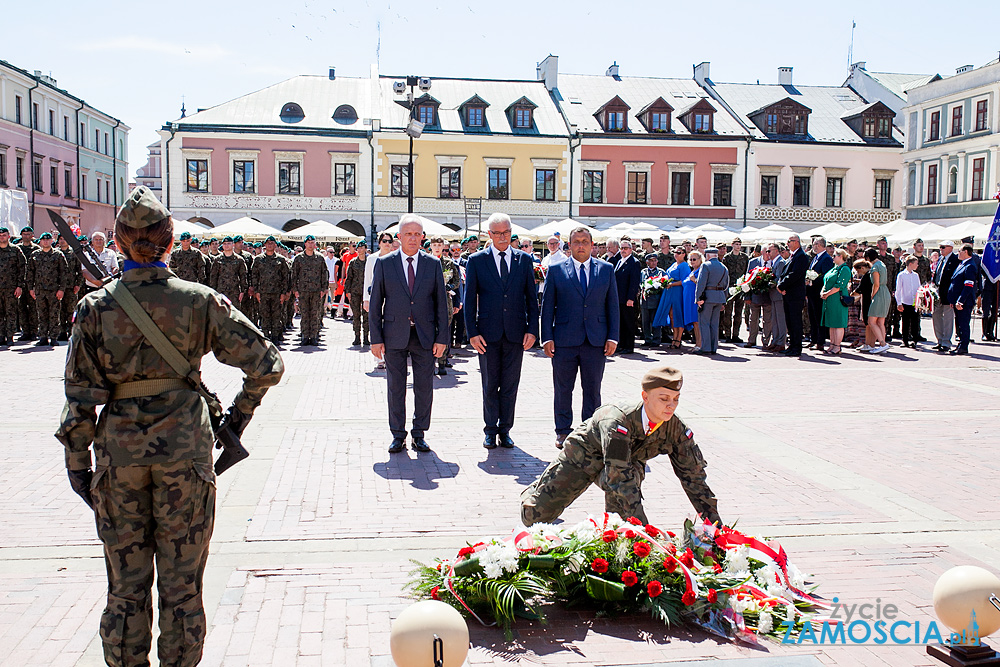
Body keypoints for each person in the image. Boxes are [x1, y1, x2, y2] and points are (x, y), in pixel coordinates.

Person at [55, 186, 283, 667]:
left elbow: (80, 399)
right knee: (182, 588)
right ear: (171, 240)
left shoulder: (95, 308)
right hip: (187, 456)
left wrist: (78, 466)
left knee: (125, 588)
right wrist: (237, 418)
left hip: (118, 460)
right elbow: (267, 364)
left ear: (118, 241)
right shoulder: (199, 301)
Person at [520, 366, 721, 527]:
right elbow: (618, 475)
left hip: (625, 464)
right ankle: (536, 491)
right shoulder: (618, 421)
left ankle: (618, 541)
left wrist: (717, 529)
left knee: (625, 507)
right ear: (645, 397)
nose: (671, 405)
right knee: (535, 516)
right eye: (664, 398)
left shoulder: (676, 427)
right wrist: (646, 529)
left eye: (676, 399)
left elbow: (694, 479)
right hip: (583, 456)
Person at [369, 214, 449, 454]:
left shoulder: (432, 264)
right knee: (396, 387)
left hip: (424, 335)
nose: (413, 239)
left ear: (422, 237)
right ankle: (397, 435)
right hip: (394, 334)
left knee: (424, 387)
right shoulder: (385, 263)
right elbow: (375, 304)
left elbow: (440, 305)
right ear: (399, 238)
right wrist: (375, 339)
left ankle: (419, 433)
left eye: (417, 234)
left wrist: (442, 338)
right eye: (408, 234)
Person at [463, 213, 539, 449]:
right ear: (490, 235)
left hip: (516, 334)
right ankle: (490, 429)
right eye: (497, 233)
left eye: (506, 232)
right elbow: (469, 300)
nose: (502, 237)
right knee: (489, 384)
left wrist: (532, 330)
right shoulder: (476, 260)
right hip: (486, 334)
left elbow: (531, 299)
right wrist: (472, 333)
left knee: (509, 384)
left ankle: (505, 429)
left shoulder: (524, 260)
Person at [540, 227, 619, 449]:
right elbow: (547, 308)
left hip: (596, 341)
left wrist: (613, 337)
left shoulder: (606, 270)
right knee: (563, 388)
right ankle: (563, 431)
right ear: (570, 245)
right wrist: (546, 337)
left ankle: (591, 430)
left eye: (585, 241)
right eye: (576, 242)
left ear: (592, 245)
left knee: (593, 389)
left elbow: (612, 305)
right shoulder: (556, 271)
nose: (581, 246)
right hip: (564, 341)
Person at [26, 232, 68, 347]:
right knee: (42, 314)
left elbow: (64, 273)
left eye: (48, 239)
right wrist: (30, 288)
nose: (45, 241)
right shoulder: (35, 255)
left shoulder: (58, 255)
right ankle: (43, 337)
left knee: (54, 314)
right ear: (40, 241)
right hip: (39, 290)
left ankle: (54, 337)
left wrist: (62, 289)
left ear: (51, 241)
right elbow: (30, 273)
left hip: (54, 290)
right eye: (43, 240)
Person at [252, 236, 292, 344]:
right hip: (263, 292)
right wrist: (256, 291)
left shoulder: (281, 259)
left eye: (272, 243)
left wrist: (284, 292)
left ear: (275, 245)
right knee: (264, 315)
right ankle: (265, 337)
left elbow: (285, 277)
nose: (270, 245)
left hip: (277, 293)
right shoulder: (258, 259)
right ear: (264, 245)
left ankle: (275, 337)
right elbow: (254, 276)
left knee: (276, 316)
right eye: (268, 243)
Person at [291, 235, 329, 346]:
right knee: (304, 314)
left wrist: (324, 288)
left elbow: (324, 274)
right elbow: (294, 275)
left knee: (315, 314)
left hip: (316, 291)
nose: (311, 244)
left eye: (313, 242)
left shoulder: (320, 258)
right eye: (309, 242)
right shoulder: (299, 258)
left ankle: (313, 336)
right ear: (305, 244)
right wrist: (295, 289)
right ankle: (304, 336)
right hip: (303, 290)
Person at [430, 237, 460, 375]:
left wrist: (450, 286)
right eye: (434, 245)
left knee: (444, 331)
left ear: (443, 247)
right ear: (431, 246)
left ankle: (442, 362)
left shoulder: (448, 263)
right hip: (428, 302)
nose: (437, 247)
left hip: (445, 302)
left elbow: (457, 281)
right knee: (429, 332)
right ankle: (430, 363)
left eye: (439, 245)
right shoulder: (426, 262)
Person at [651, 248, 690, 350]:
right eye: (675, 252)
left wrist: (671, 284)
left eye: (679, 253)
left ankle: (678, 339)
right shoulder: (674, 264)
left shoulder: (684, 265)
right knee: (671, 315)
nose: (676, 254)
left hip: (677, 291)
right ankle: (674, 337)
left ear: (684, 254)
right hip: (669, 291)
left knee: (677, 314)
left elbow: (684, 280)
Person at [776, 234, 809, 356]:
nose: (788, 243)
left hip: (795, 294)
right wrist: (780, 284)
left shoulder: (802, 256)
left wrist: (781, 285)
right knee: (789, 321)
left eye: (790, 241)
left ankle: (797, 347)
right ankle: (792, 346)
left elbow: (795, 274)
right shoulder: (792, 256)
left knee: (795, 322)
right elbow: (784, 273)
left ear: (797, 242)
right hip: (788, 293)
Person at [694, 247, 729, 355]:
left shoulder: (706, 265)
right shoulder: (724, 267)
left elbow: (701, 283)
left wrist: (698, 298)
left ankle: (706, 347)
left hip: (707, 297)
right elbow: (726, 285)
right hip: (719, 297)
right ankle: (713, 347)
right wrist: (724, 300)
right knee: (714, 323)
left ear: (708, 255)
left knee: (704, 322)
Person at [819, 248, 851, 355]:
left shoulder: (844, 269)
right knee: (831, 322)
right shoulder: (834, 268)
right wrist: (823, 291)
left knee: (838, 322)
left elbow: (839, 286)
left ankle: (837, 346)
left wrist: (827, 293)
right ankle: (832, 344)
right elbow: (826, 280)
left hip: (838, 298)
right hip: (829, 299)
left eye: (834, 256)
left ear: (840, 256)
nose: (832, 258)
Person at [949, 243, 979, 355]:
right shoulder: (962, 264)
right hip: (957, 301)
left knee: (964, 323)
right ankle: (960, 344)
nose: (958, 253)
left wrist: (960, 301)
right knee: (960, 324)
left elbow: (968, 285)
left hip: (964, 301)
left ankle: (963, 346)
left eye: (960, 251)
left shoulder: (970, 266)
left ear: (966, 252)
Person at [806, 237, 834, 350]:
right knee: (812, 317)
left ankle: (820, 341)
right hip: (811, 291)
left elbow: (825, 276)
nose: (814, 246)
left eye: (816, 244)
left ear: (822, 245)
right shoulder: (815, 258)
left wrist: (813, 281)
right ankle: (813, 339)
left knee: (819, 317)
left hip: (819, 291)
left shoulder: (826, 258)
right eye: (813, 244)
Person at [613, 239, 641, 354]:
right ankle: (621, 344)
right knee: (621, 322)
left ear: (631, 249)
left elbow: (634, 282)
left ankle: (629, 346)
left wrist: (631, 298)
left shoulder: (634, 262)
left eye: (625, 248)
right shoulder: (620, 261)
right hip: (619, 297)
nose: (623, 250)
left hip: (627, 298)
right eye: (621, 248)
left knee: (628, 322)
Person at [0, 227, 27, 346]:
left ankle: (10, 336)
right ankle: (1, 336)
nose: (2, 237)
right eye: (0, 235)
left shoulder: (15, 250)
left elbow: (22, 268)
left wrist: (19, 286)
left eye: (4, 235)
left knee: (10, 312)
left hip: (11, 287)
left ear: (8, 236)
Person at [932, 240, 960, 352]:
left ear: (950, 248)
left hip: (948, 294)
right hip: (937, 292)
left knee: (948, 318)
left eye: (943, 247)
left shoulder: (955, 260)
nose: (941, 249)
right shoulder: (940, 259)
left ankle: (946, 342)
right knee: (936, 316)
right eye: (940, 247)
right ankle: (939, 340)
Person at [57, 233, 85, 342]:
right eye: (60, 239)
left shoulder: (74, 254)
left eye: (64, 239)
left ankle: (71, 331)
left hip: (71, 286)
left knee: (71, 310)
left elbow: (80, 271)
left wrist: (78, 284)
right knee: (59, 310)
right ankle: (61, 331)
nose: (62, 241)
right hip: (58, 287)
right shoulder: (55, 253)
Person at [210, 237, 248, 315]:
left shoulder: (239, 260)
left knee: (234, 314)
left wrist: (243, 291)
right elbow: (213, 277)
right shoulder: (217, 260)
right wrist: (214, 291)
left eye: (228, 243)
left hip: (234, 292)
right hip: (221, 291)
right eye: (225, 244)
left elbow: (243, 276)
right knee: (221, 314)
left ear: (233, 245)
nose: (226, 246)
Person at [720, 237, 748, 343]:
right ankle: (727, 334)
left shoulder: (744, 257)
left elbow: (746, 272)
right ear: (732, 245)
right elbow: (724, 273)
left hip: (740, 288)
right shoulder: (727, 257)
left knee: (739, 312)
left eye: (739, 244)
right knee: (728, 312)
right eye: (736, 244)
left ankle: (736, 334)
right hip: (729, 287)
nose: (738, 246)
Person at [744, 249, 772, 350]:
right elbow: (746, 279)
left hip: (768, 296)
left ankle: (766, 341)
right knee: (753, 319)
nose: (768, 254)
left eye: (769, 252)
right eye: (766, 252)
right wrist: (747, 296)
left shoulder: (772, 262)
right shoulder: (753, 262)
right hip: (755, 296)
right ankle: (751, 340)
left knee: (767, 320)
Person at [15, 227, 40, 340]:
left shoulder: (37, 249)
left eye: (28, 234)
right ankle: (25, 332)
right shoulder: (17, 249)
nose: (26, 236)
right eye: (24, 234)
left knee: (33, 308)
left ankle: (34, 331)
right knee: (21, 308)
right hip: (20, 283)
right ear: (21, 235)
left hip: (33, 283)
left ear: (32, 236)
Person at [865, 248, 890, 354]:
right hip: (885, 292)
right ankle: (882, 344)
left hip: (879, 293)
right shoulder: (882, 264)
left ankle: (883, 343)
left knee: (871, 321)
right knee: (880, 321)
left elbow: (876, 284)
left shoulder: (875, 267)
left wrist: (872, 295)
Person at [344, 241, 369, 347]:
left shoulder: (369, 262)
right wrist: (348, 291)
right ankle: (357, 336)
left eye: (361, 248)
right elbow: (349, 278)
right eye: (358, 248)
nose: (359, 250)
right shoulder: (353, 262)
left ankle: (366, 337)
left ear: (365, 249)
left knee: (366, 315)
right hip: (355, 292)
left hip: (366, 293)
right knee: (356, 315)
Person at [639, 253, 666, 347]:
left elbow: (665, 285)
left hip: (656, 300)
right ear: (647, 262)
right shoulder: (643, 272)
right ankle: (647, 339)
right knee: (645, 321)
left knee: (655, 321)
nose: (653, 262)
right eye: (651, 260)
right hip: (645, 300)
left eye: (655, 260)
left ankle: (656, 339)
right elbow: (640, 283)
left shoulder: (661, 272)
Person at [895, 255, 921, 348]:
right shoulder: (901, 275)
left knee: (915, 322)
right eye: (915, 263)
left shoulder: (916, 275)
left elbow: (919, 288)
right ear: (910, 264)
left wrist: (920, 302)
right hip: (905, 301)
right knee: (905, 322)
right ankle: (905, 340)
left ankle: (915, 339)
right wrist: (899, 303)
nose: (917, 265)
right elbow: (898, 290)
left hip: (914, 302)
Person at [684, 250, 704, 352]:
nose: (692, 261)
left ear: (700, 260)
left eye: (694, 259)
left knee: (697, 323)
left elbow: (702, 285)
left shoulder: (701, 270)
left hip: (695, 300)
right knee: (694, 323)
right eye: (690, 259)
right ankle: (697, 343)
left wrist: (694, 279)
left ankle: (700, 344)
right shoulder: (692, 271)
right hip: (689, 300)